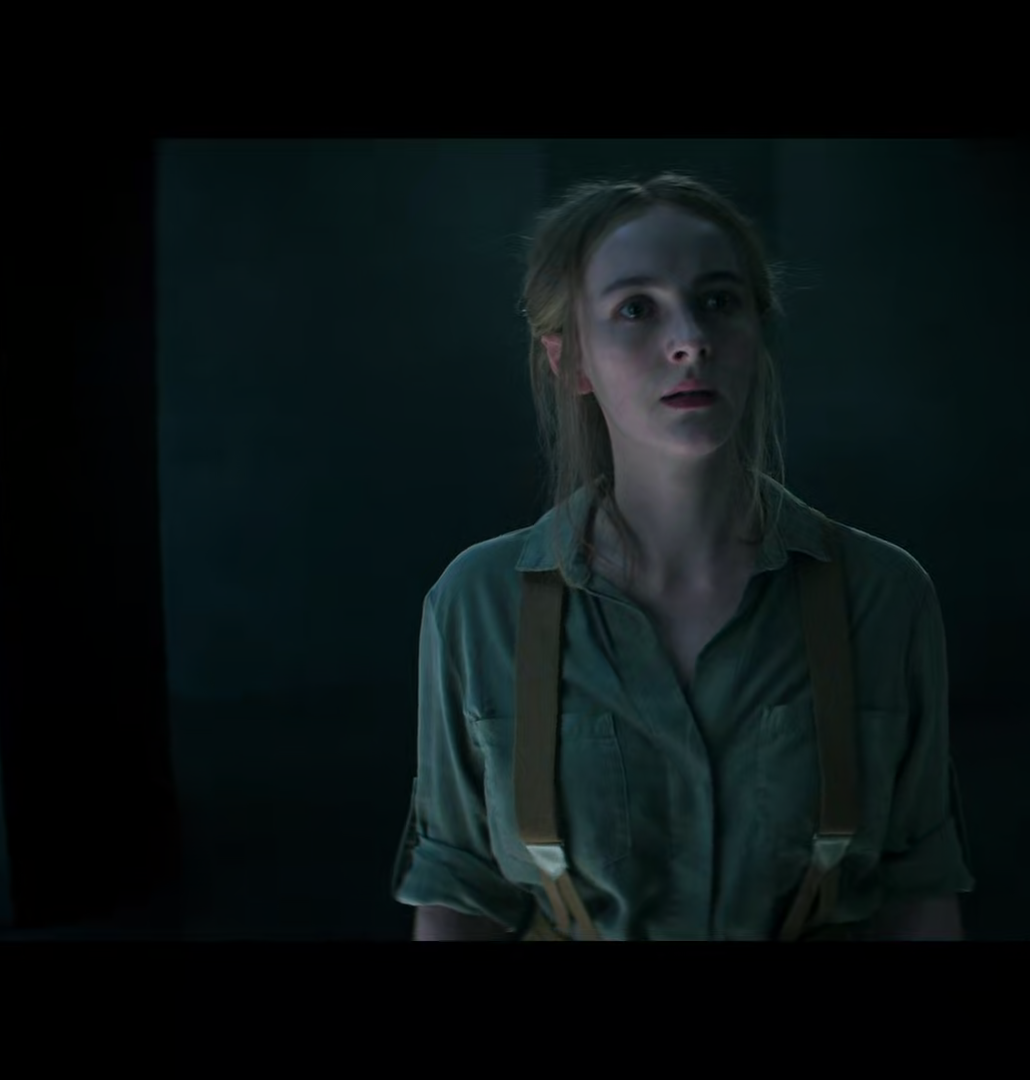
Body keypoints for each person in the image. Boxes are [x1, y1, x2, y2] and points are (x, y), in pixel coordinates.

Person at [390, 173, 973, 940]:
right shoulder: (478, 603)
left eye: (718, 301)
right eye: (636, 309)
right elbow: (457, 893)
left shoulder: (882, 595)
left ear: (757, 333)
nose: (690, 340)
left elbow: (919, 889)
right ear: (570, 361)